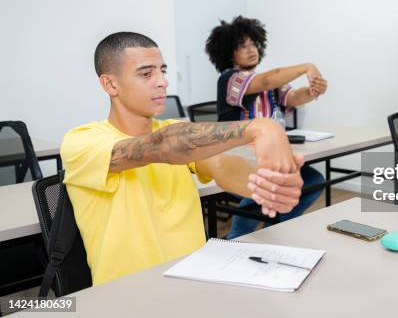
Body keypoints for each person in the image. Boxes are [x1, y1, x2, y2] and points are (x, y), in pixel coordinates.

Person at [61, 32, 304, 286]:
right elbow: (165, 145)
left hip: (195, 278)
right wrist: (258, 127)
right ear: (110, 84)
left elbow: (222, 166)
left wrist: (271, 180)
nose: (162, 82)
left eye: (162, 71)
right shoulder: (81, 142)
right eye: (146, 74)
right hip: (131, 294)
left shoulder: (174, 130)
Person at [205, 16, 328, 239]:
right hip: (238, 154)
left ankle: (275, 228)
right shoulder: (230, 79)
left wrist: (313, 89)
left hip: (266, 155)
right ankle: (236, 237)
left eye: (253, 44)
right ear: (228, 53)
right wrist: (307, 67)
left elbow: (292, 97)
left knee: (313, 181)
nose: (251, 50)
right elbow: (264, 82)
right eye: (243, 46)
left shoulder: (268, 81)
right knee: (265, 186)